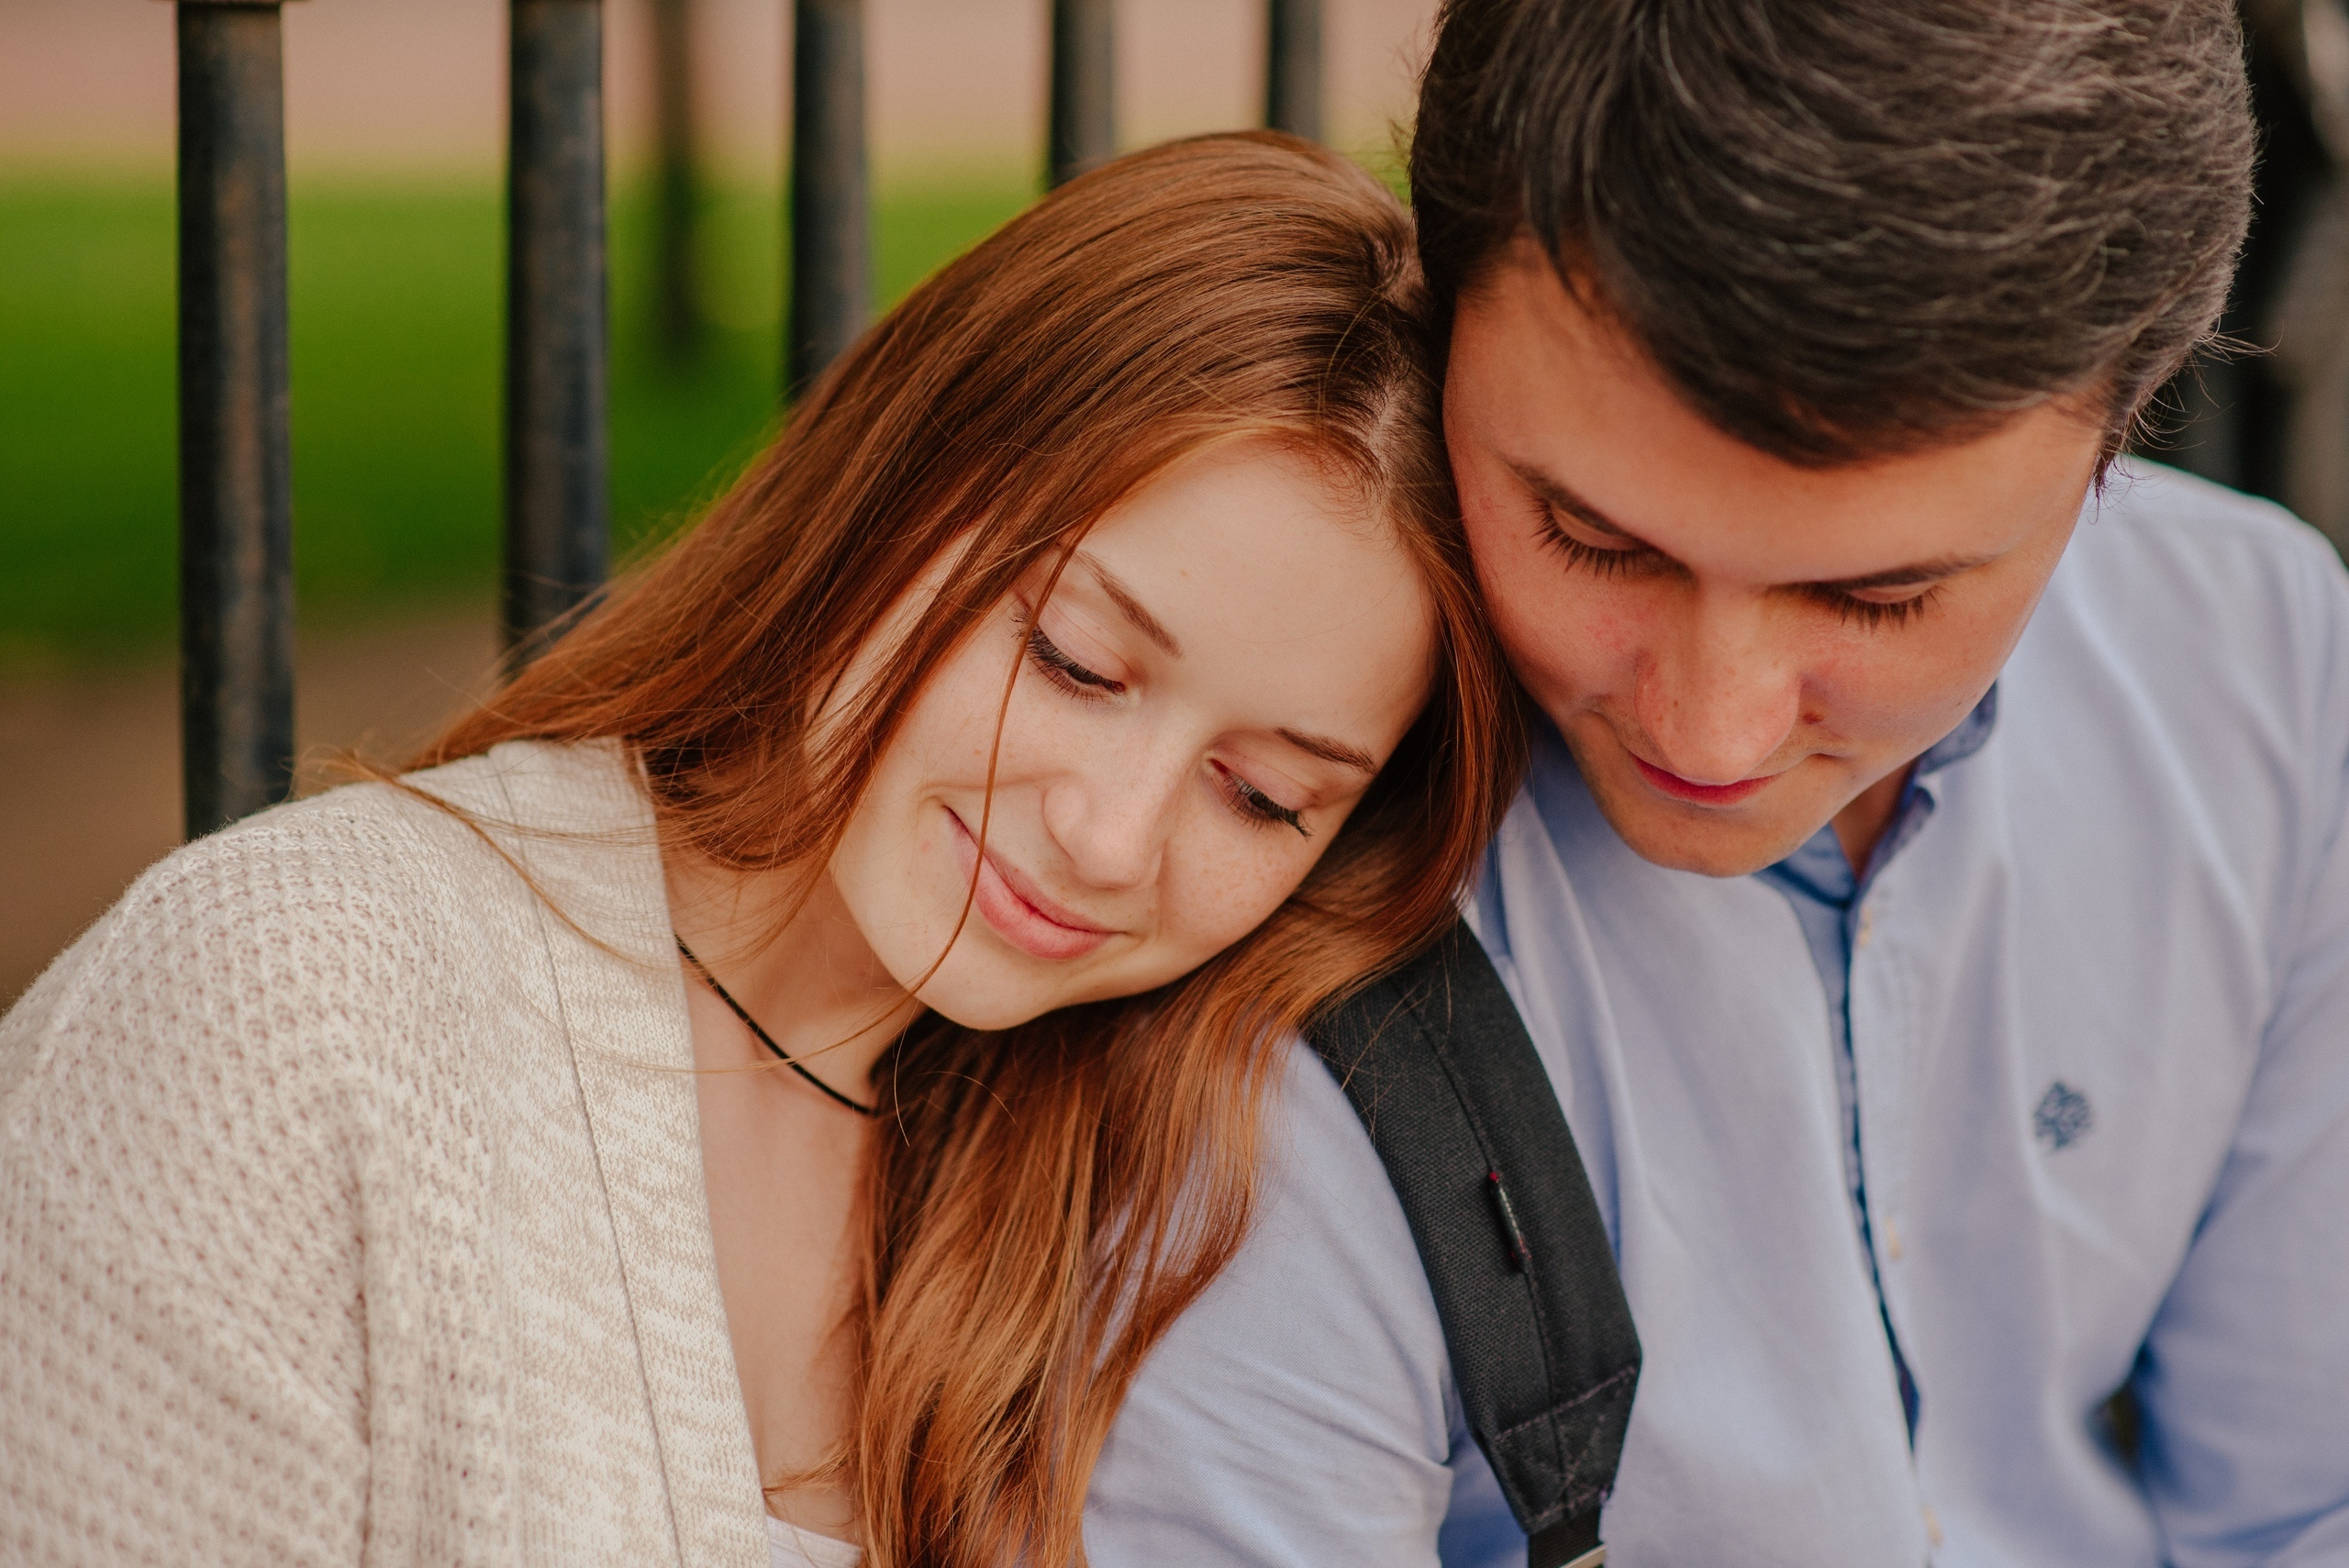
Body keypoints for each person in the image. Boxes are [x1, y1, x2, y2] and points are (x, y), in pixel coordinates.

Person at [0, 135, 1527, 1568]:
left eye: (1261, 795)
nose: (1111, 837)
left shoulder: (1146, 1193)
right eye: (1073, 659)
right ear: (901, 480)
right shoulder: (284, 1014)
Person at [1083, 3, 2349, 1565]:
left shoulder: (2261, 662)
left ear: (2122, 426)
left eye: (1878, 598)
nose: (1713, 730)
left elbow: (2309, 1502)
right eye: (1593, 539)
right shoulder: (1231, 857)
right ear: (1444, 310)